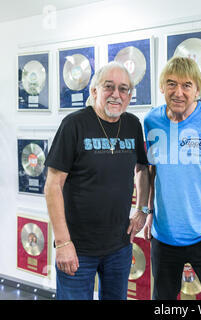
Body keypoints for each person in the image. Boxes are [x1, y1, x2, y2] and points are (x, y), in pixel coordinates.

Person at [44, 61, 150, 300]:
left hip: (120, 246)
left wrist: (142, 209)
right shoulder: (74, 124)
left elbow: (142, 169)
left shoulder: (132, 124)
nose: (116, 94)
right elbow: (53, 185)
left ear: (130, 96)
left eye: (123, 89)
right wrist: (62, 242)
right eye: (108, 86)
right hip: (77, 248)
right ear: (94, 91)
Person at [143, 56, 201, 300]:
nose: (178, 92)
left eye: (187, 85)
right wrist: (149, 212)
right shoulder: (151, 121)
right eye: (171, 83)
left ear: (197, 89)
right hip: (164, 236)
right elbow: (153, 171)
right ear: (161, 87)